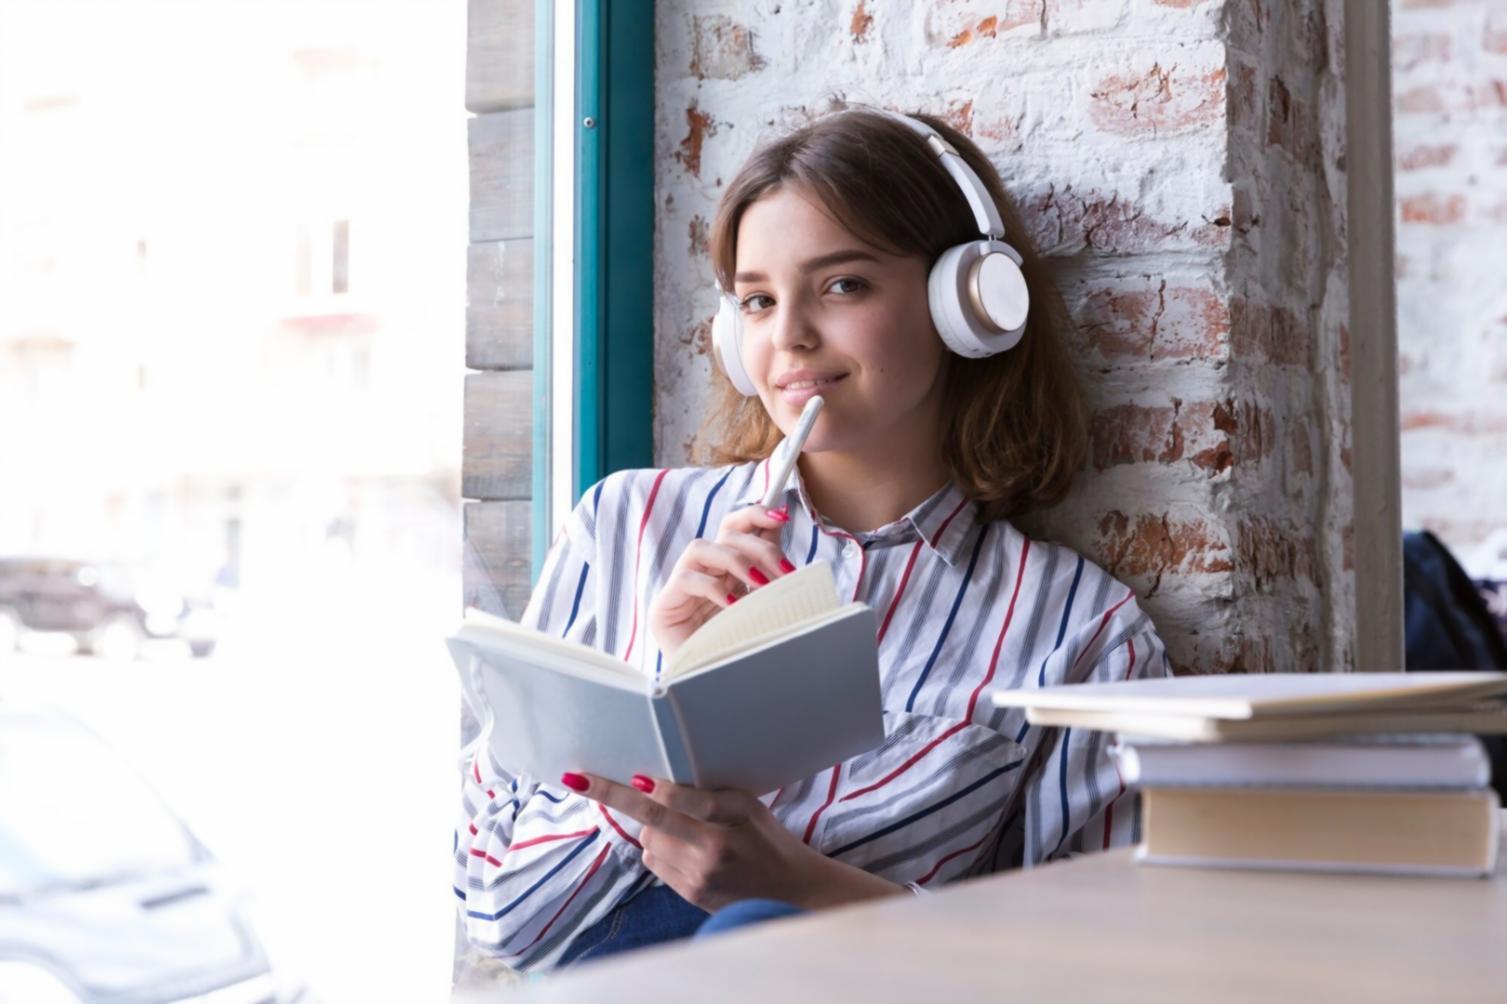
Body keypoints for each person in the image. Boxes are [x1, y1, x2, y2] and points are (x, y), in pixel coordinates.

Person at [454, 106, 1169, 972]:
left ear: (968, 302)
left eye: (842, 286)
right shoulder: (622, 526)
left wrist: (805, 888)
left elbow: (1096, 969)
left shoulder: (1077, 630)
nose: (787, 335)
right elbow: (498, 916)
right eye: (756, 300)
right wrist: (665, 699)